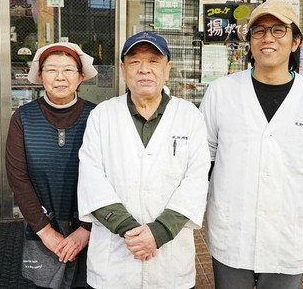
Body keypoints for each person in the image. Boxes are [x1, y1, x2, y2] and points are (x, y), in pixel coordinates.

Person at [199, 0, 303, 289]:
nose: (267, 38)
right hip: (232, 229)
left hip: (288, 233)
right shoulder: (221, 92)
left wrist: (297, 198)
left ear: (295, 42)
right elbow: (205, 153)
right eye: (259, 31)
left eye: (279, 30)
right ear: (249, 41)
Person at [77, 31, 210, 288]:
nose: (144, 70)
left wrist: (158, 232)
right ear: (123, 68)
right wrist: (131, 231)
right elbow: (91, 178)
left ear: (168, 68)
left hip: (169, 259)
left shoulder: (189, 116)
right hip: (115, 261)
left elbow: (197, 179)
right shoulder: (102, 116)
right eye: (135, 62)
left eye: (154, 61)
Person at [6, 42, 98, 289]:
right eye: (51, 70)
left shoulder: (98, 116)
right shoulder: (23, 118)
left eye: (68, 70)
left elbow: (110, 175)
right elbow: (18, 178)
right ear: (39, 75)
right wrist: (45, 231)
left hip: (94, 226)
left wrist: (86, 229)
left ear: (80, 77)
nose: (60, 77)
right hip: (42, 224)